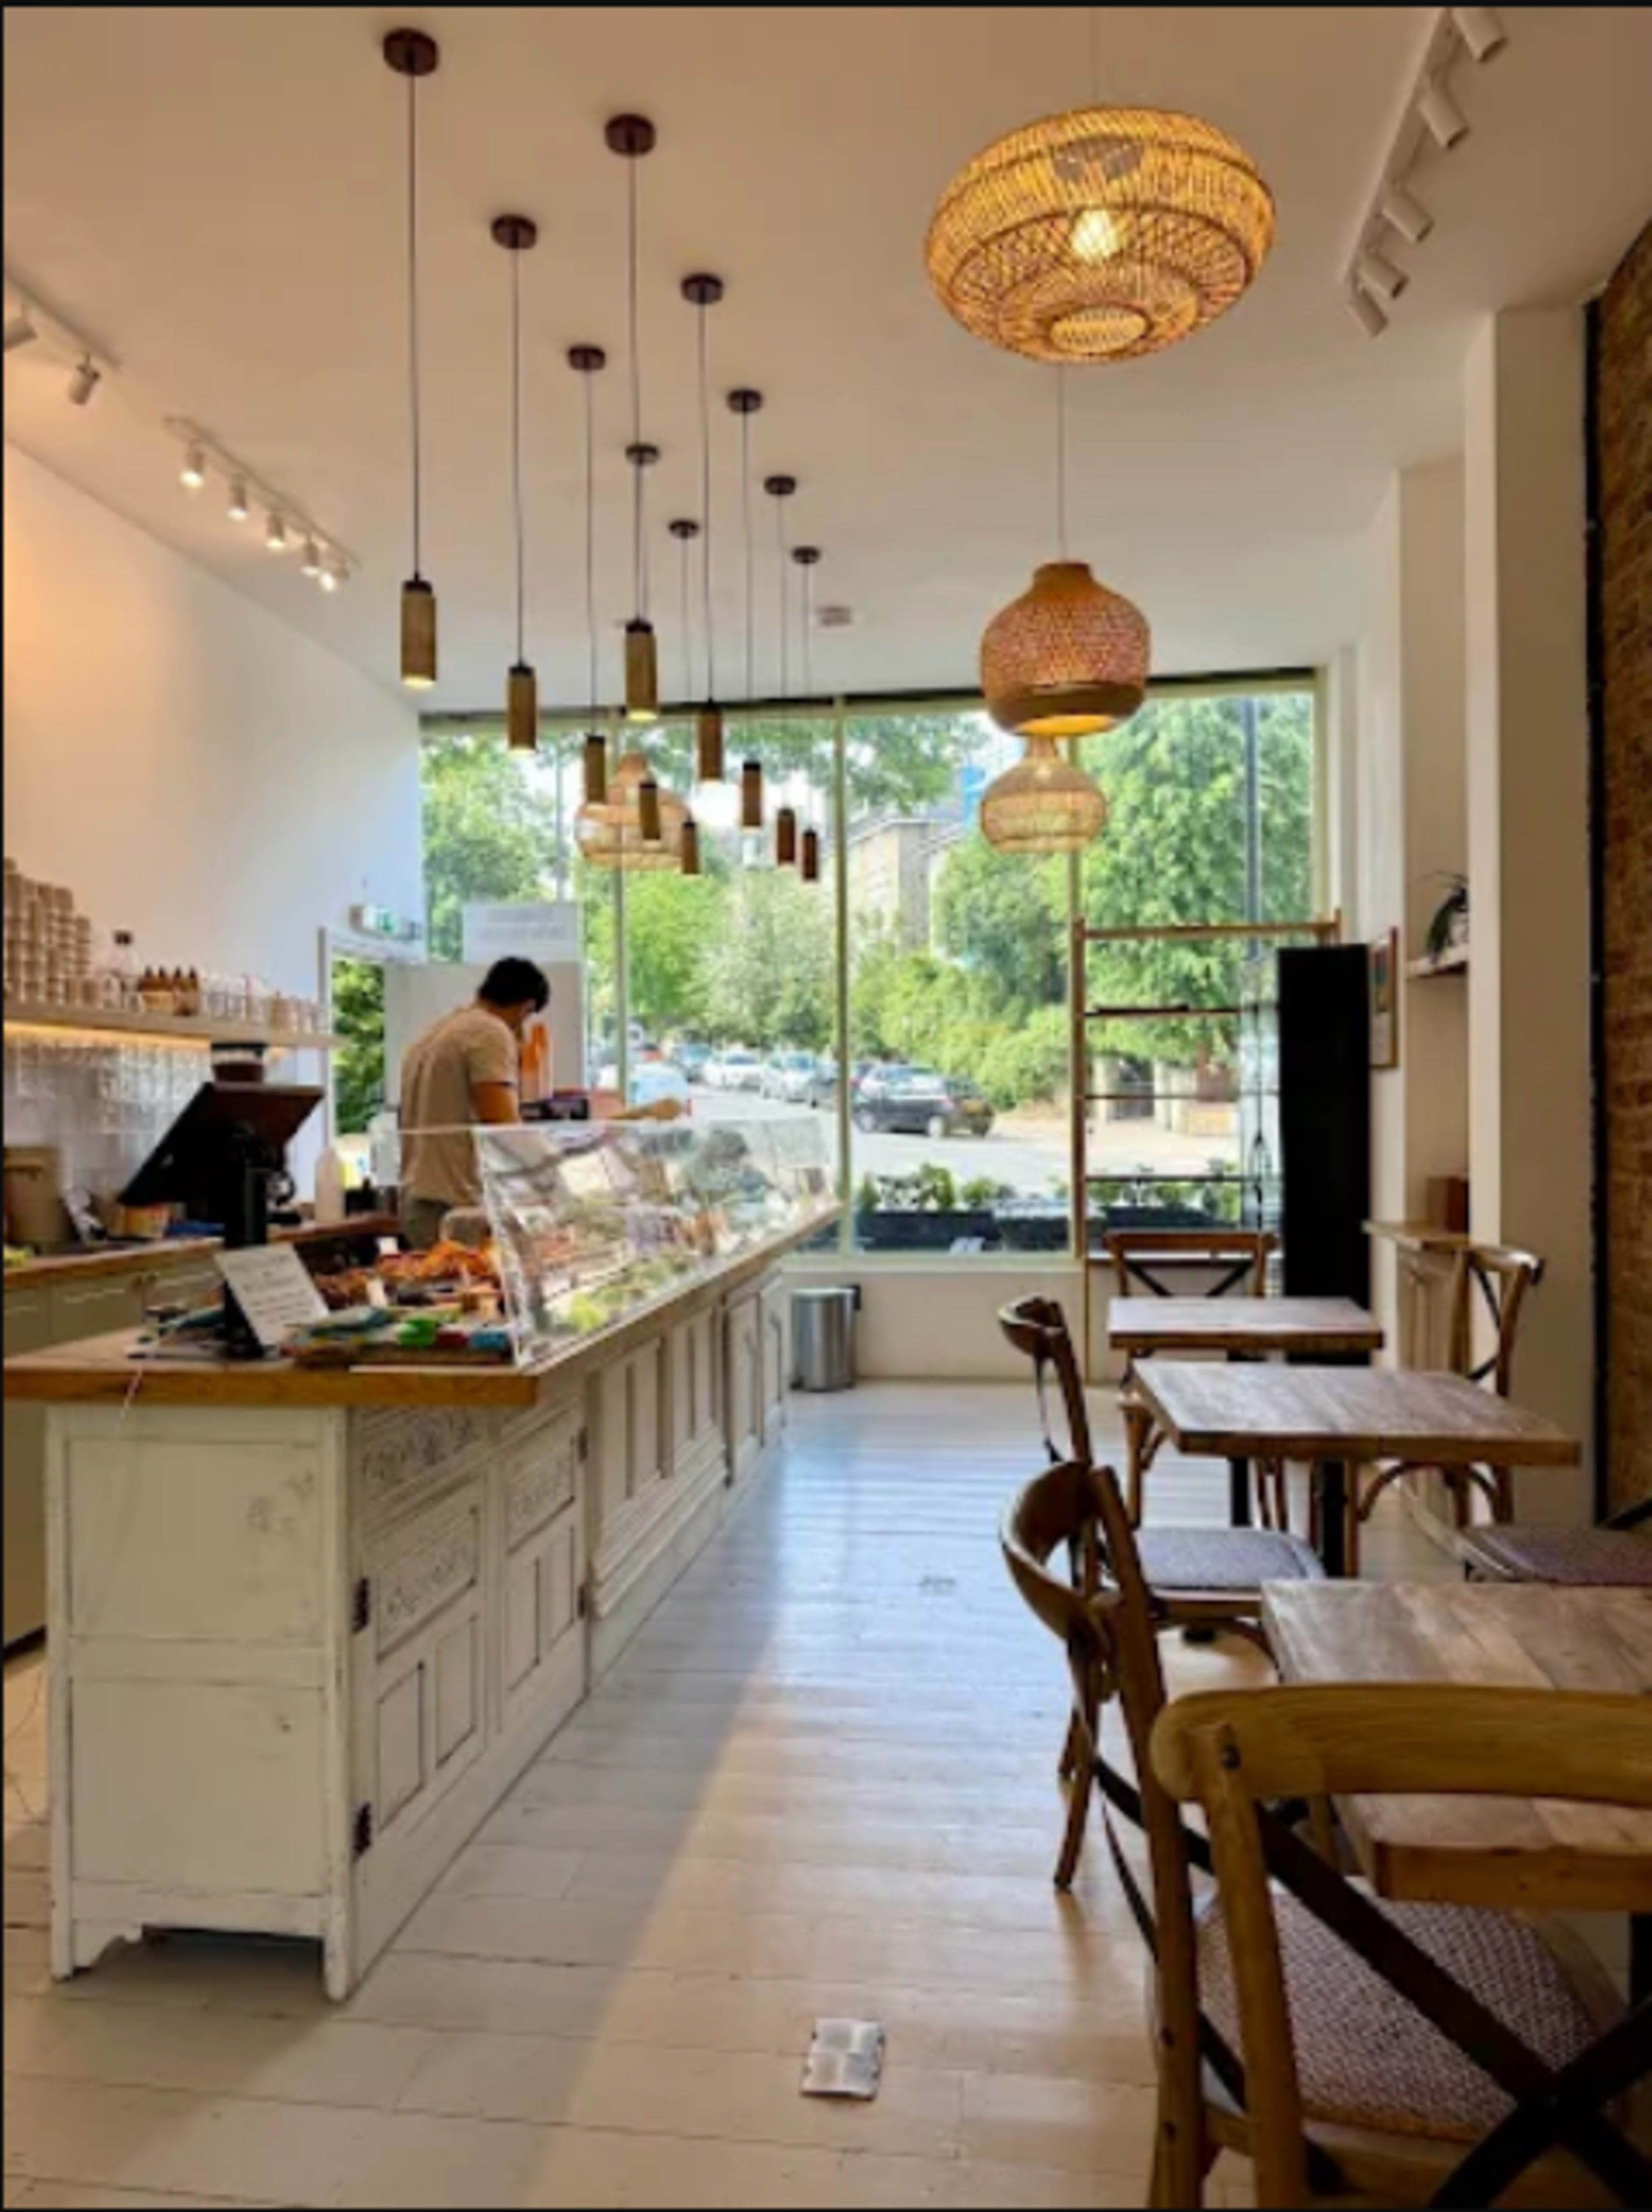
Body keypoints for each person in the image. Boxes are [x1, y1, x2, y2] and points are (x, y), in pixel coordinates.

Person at [398, 957, 550, 1250]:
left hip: (415, 1203)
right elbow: (504, 1129)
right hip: (454, 1210)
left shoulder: (433, 1035)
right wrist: (554, 1172)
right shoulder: (490, 1032)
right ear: (527, 1007)